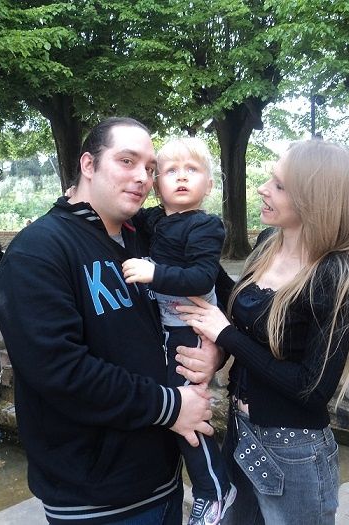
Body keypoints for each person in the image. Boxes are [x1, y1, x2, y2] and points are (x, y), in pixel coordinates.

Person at [0, 117, 222, 525]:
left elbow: (224, 298)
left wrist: (215, 351)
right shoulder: (38, 252)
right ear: (88, 164)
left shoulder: (151, 236)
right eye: (127, 161)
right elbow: (60, 371)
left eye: (150, 168)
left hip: (165, 480)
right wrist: (170, 406)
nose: (143, 177)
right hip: (95, 499)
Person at [177, 139, 349, 524]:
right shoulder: (268, 244)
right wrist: (197, 258)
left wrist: (226, 337)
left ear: (315, 200)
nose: (263, 189)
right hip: (240, 431)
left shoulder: (333, 275)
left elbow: (312, 389)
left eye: (279, 185)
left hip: (294, 453)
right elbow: (245, 308)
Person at [121, 137, 235, 525]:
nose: (181, 177)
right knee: (178, 408)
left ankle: (214, 489)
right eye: (171, 171)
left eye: (192, 170)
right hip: (167, 329)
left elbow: (203, 276)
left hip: (191, 331)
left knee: (188, 412)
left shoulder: (205, 225)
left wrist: (154, 273)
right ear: (156, 184)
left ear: (209, 185)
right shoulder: (154, 220)